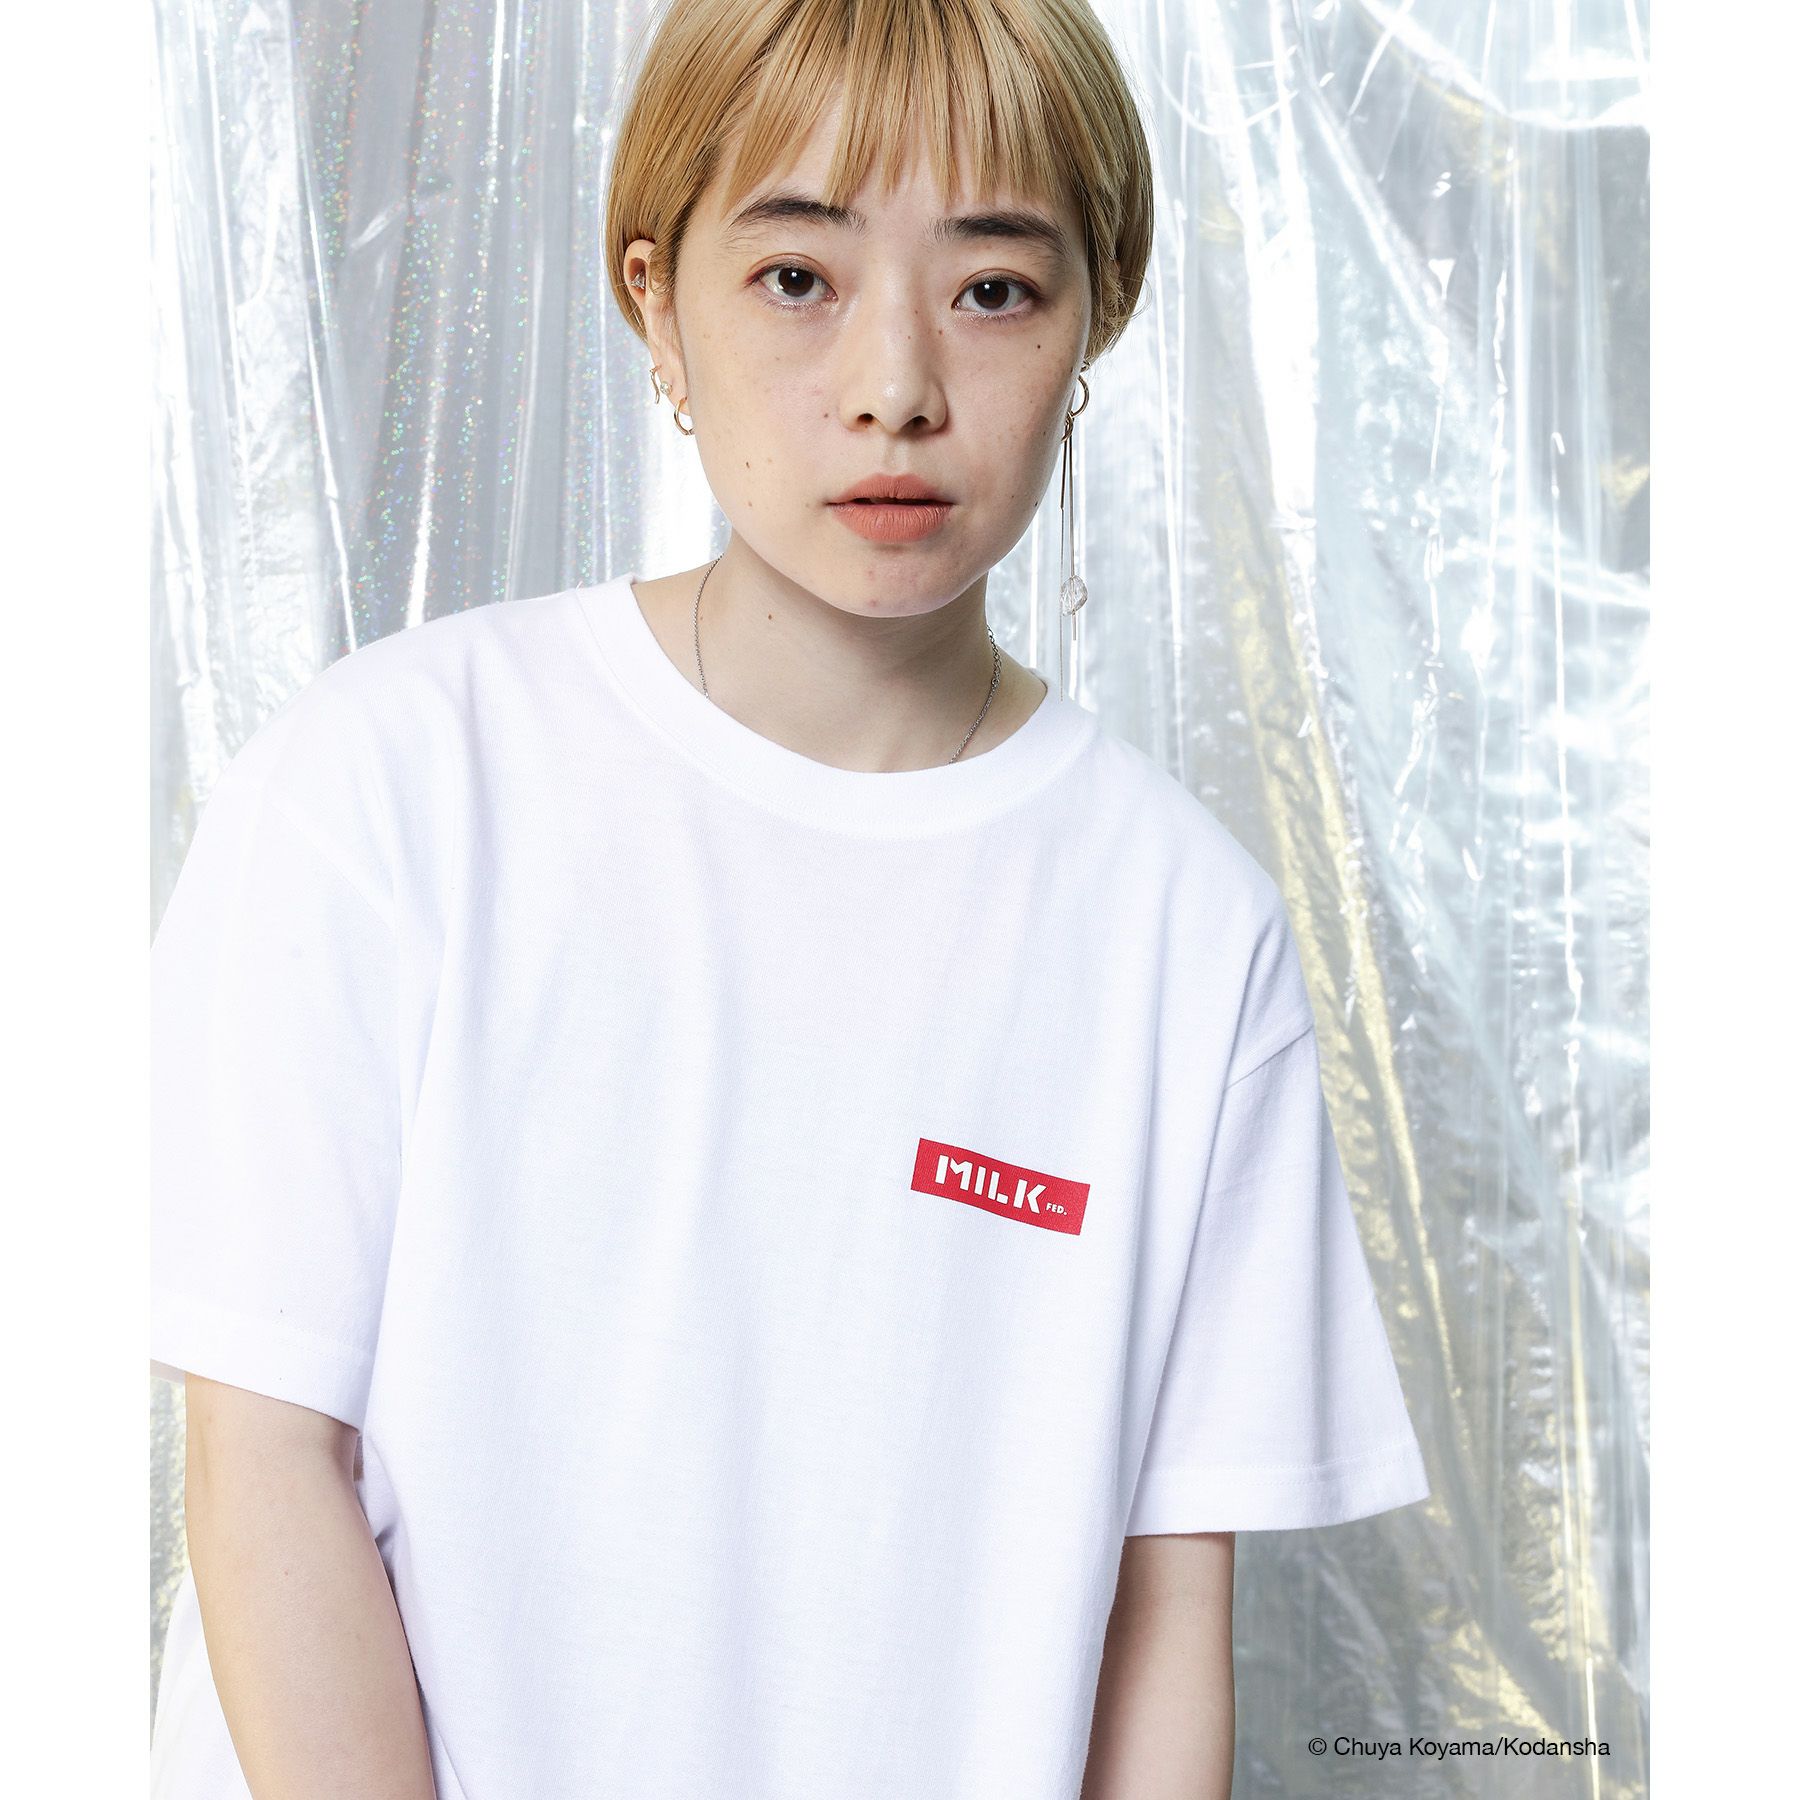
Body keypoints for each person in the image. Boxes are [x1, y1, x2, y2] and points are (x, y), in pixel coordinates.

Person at [148, 2, 1430, 1796]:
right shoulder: (390, 786)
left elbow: (1162, 1620)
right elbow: (266, 1454)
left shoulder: (1184, 935)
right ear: (657, 301)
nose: (896, 382)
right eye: (798, 278)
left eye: (994, 288)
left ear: (1098, 313)